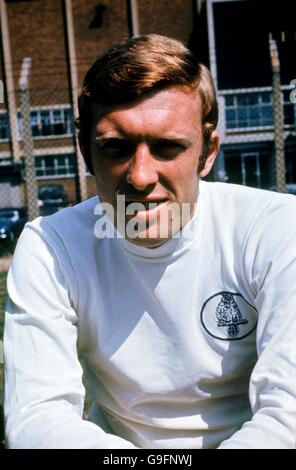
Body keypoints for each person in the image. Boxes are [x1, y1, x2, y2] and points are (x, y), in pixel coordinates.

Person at [4, 34, 296, 449]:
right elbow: (36, 417)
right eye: (116, 148)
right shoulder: (52, 247)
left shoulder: (276, 229)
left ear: (207, 153)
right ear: (87, 155)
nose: (140, 177)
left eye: (167, 147)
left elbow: (288, 417)